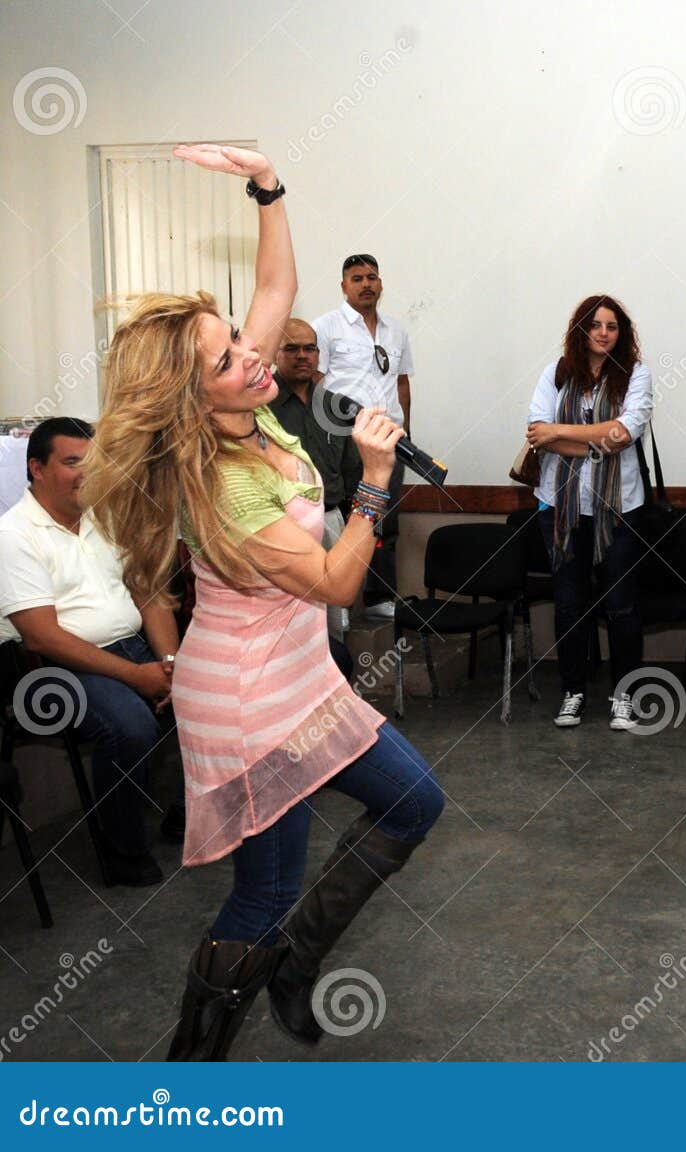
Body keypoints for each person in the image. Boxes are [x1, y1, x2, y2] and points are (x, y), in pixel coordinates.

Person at [82, 145, 443, 1061]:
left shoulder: (246, 406)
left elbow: (275, 283)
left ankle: (291, 962)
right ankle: (187, 1073)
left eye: (244, 341)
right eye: (229, 356)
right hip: (247, 699)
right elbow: (335, 584)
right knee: (261, 893)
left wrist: (268, 186)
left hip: (300, 674)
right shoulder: (222, 486)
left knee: (412, 802)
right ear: (190, 398)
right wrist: (371, 483)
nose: (253, 351)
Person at [0, 418, 176, 886]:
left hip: (129, 648)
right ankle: (123, 853)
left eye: (93, 463)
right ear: (36, 468)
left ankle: (183, 816)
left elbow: (149, 591)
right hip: (56, 669)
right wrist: (138, 677)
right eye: (72, 462)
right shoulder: (14, 534)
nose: (86, 474)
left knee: (202, 693)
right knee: (132, 725)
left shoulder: (105, 515)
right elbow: (41, 636)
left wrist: (171, 666)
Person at [525, 294, 654, 730]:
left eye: (612, 326)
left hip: (618, 507)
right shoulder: (556, 373)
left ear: (622, 333)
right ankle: (573, 692)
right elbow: (536, 435)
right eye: (595, 325)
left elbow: (623, 432)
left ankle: (624, 697)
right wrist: (592, 438)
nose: (603, 333)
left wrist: (560, 431)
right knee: (569, 605)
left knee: (621, 606)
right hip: (559, 508)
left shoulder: (636, 374)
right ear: (581, 330)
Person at [312, 254, 415, 619]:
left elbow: (401, 382)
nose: (366, 284)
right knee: (347, 518)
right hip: (346, 441)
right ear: (343, 286)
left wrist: (406, 432)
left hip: (391, 439)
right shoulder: (325, 327)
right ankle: (344, 600)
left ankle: (379, 599)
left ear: (381, 284)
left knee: (386, 522)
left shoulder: (395, 330)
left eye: (372, 277)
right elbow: (314, 380)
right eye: (356, 278)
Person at [268, 317, 363, 637]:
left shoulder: (334, 406)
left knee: (335, 622)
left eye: (310, 349)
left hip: (331, 519)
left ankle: (334, 680)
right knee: (289, 617)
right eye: (291, 349)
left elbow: (352, 469)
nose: (302, 356)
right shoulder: (260, 407)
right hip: (281, 525)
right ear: (275, 354)